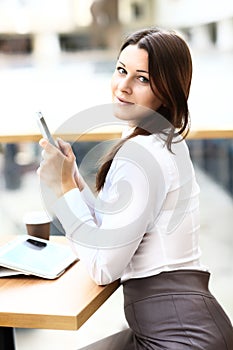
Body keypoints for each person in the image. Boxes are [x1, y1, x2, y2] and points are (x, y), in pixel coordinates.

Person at [37, 27, 233, 349]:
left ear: (167, 90)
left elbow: (103, 267)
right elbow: (112, 231)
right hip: (186, 328)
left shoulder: (141, 155)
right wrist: (72, 178)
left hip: (179, 338)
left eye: (142, 79)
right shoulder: (164, 141)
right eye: (121, 70)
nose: (123, 87)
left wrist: (61, 193)